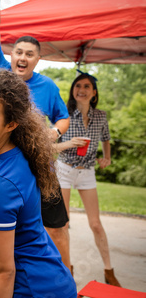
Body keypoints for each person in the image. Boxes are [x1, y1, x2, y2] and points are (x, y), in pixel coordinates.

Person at [0, 68, 76, 297]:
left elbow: (2, 272)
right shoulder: (11, 153)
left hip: (32, 289)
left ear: (11, 124)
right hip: (51, 279)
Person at [0, 0, 72, 270]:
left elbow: (64, 117)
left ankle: (66, 273)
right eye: (18, 51)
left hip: (40, 166)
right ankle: (15, 274)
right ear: (11, 55)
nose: (22, 57)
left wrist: (54, 131)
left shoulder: (47, 86)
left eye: (29, 53)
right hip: (3, 168)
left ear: (37, 59)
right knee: (8, 231)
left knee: (56, 228)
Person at [55, 71, 121, 286]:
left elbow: (106, 138)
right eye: (78, 86)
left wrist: (107, 157)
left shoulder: (100, 116)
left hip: (87, 171)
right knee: (63, 224)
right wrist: (69, 143)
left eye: (86, 87)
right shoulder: (63, 115)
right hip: (64, 168)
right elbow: (49, 146)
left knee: (96, 224)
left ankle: (109, 271)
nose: (81, 90)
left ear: (94, 93)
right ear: (73, 90)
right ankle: (67, 270)